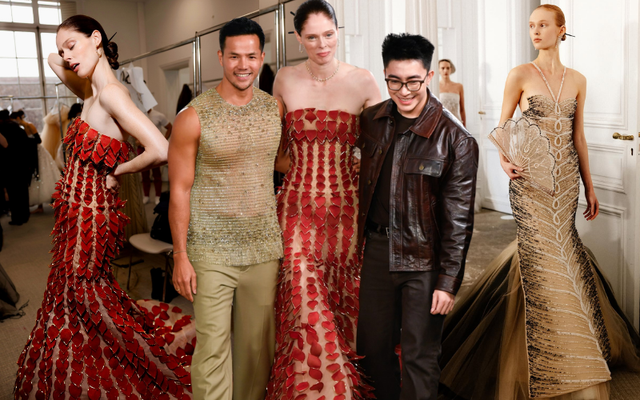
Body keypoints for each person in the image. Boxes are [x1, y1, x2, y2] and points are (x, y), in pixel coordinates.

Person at [439, 5, 640, 400]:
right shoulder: (520, 74)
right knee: (542, 260)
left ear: (561, 30)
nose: (535, 31)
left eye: (543, 25)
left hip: (565, 185)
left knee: (560, 259)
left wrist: (590, 186)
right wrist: (505, 160)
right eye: (531, 25)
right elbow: (502, 125)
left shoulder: (578, 80)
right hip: (530, 182)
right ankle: (549, 360)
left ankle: (571, 351)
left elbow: (578, 137)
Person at [14, 15, 193, 400]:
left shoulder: (111, 93)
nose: (65, 56)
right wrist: (75, 54)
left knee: (83, 291)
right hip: (73, 211)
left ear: (96, 38)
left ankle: (137, 363)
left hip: (93, 213)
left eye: (73, 45)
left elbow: (160, 149)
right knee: (70, 289)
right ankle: (86, 354)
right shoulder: (89, 90)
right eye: (63, 49)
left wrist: (118, 170)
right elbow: (52, 59)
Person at [264, 1, 381, 399]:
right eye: (311, 37)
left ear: (337, 31)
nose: (322, 44)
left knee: (340, 302)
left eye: (328, 34)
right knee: (304, 299)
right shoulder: (284, 79)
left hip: (346, 213)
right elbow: (277, 154)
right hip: (295, 210)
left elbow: (382, 152)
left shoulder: (363, 81)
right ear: (298, 38)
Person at [355, 33, 478, 400]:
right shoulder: (371, 120)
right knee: (372, 351)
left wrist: (448, 281)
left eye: (413, 81)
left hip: (424, 259)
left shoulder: (456, 139)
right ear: (385, 75)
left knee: (419, 356)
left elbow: (459, 220)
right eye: (394, 81)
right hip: (377, 252)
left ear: (428, 76)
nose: (404, 91)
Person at [169, 17, 283, 400]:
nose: (243, 65)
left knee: (256, 351)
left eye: (251, 56)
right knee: (212, 348)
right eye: (234, 56)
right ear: (220, 57)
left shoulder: (274, 109)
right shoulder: (192, 117)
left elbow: (282, 162)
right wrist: (180, 255)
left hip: (264, 247)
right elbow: (179, 190)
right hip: (210, 250)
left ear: (262, 57)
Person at [0, 109, 31, 226]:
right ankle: (25, 215)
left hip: (9, 165)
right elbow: (27, 145)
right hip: (22, 163)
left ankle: (17, 218)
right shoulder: (19, 128)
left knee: (13, 193)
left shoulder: (2, 130)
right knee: (23, 191)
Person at [141, 107, 172, 204]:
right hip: (142, 147)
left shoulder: (158, 115)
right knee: (144, 174)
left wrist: (163, 140)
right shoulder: (140, 115)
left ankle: (158, 196)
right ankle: (146, 195)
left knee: (156, 174)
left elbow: (169, 127)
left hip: (155, 148)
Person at [438, 59, 465, 126]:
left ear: (451, 69)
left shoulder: (459, 86)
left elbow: (462, 109)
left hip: (456, 123)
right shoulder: (435, 86)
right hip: (441, 124)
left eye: (448, 68)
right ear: (439, 69)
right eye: (443, 68)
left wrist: (464, 127)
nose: (445, 70)